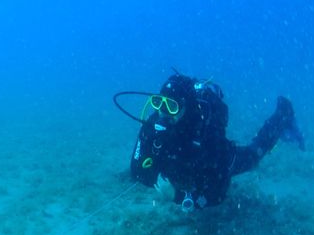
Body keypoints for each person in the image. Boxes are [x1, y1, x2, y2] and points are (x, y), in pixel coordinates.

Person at [128, 71, 305, 211]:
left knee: (252, 156)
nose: (163, 112)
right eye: (158, 102)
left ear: (185, 107)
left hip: (207, 162)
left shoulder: (206, 135)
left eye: (172, 106)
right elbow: (136, 171)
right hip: (185, 167)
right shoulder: (154, 124)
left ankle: (283, 115)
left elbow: (216, 195)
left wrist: (177, 196)